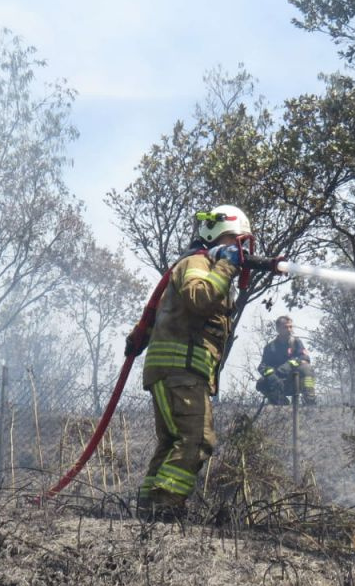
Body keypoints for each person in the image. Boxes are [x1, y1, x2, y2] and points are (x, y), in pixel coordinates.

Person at [130, 206, 253, 522]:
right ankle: (166, 509)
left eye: (241, 244)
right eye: (233, 240)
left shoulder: (204, 265)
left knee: (173, 442)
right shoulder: (199, 263)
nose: (238, 249)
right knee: (197, 439)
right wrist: (226, 267)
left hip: (176, 370)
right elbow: (198, 298)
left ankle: (147, 510)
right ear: (213, 235)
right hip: (179, 370)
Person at [256, 315, 317, 406]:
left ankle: (310, 401)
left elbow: (305, 359)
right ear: (278, 329)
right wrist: (271, 375)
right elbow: (262, 366)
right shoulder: (270, 347)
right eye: (285, 327)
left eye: (290, 327)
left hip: (295, 381)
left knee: (306, 368)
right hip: (278, 383)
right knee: (261, 383)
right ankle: (282, 404)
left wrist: (290, 365)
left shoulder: (296, 342)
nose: (289, 329)